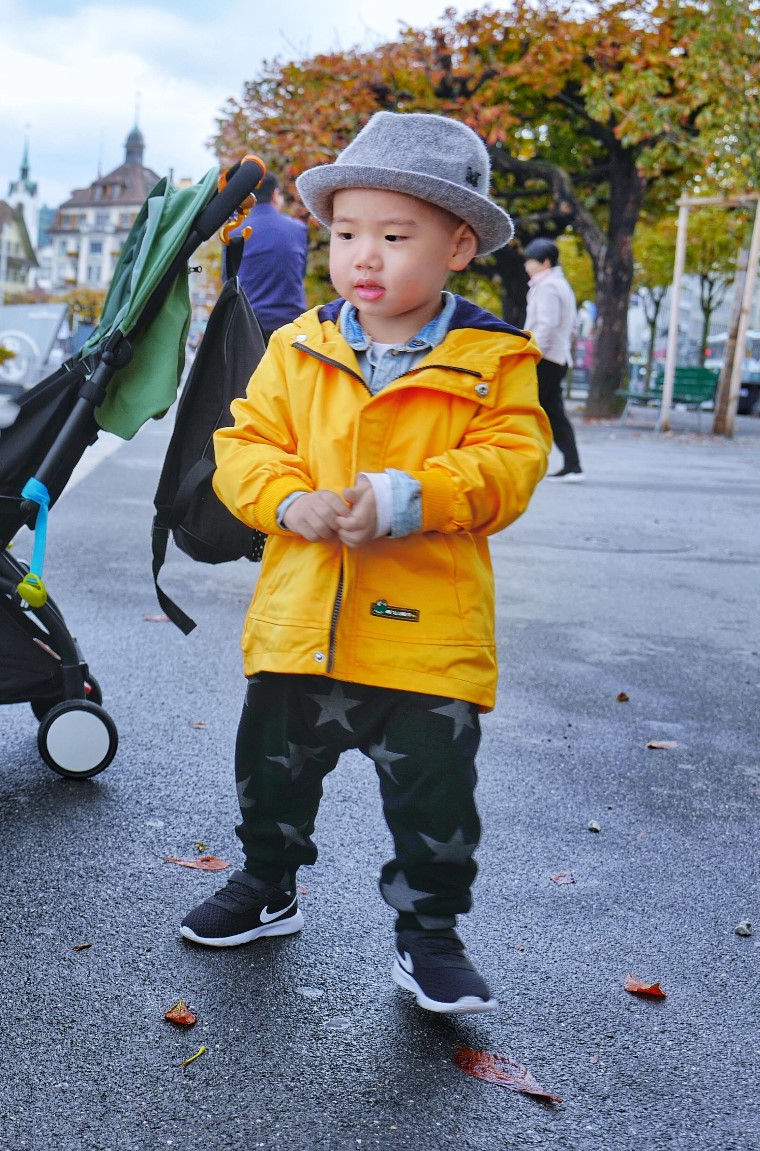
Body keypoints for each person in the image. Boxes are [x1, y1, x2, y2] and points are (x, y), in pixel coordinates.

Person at [176, 111, 550, 1017]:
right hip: (302, 622)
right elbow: (244, 444)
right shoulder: (300, 345)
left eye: (394, 236)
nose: (364, 258)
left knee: (434, 799)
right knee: (271, 770)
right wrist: (286, 500)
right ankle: (269, 881)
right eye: (346, 235)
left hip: (425, 640)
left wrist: (408, 498)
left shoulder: (492, 360)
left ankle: (430, 936)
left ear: (459, 245)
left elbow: (512, 462)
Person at [522, 238, 583, 481]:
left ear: (545, 262)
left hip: (545, 357)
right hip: (556, 356)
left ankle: (527, 463)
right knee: (553, 413)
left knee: (526, 410)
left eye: (531, 261)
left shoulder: (548, 287)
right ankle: (573, 465)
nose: (526, 265)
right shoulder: (560, 284)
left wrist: (531, 353)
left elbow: (546, 325)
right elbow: (573, 325)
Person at [238, 173, 312, 335]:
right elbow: (301, 274)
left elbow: (228, 281)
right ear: (275, 194)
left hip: (248, 325)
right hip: (291, 325)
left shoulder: (234, 233)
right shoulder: (299, 229)